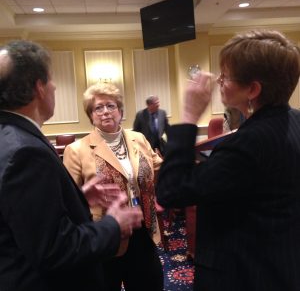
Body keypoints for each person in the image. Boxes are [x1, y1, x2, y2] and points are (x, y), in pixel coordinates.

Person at [156, 29, 300, 291]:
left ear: (252, 89)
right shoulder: (295, 120)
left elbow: (170, 192)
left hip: (246, 272)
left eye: (226, 76)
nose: (220, 81)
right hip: (283, 261)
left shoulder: (247, 143)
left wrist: (189, 116)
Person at [0, 40, 143, 291]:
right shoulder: (26, 152)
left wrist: (77, 198)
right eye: (51, 79)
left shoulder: (11, 136)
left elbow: (26, 212)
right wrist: (114, 223)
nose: (55, 86)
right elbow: (54, 249)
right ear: (40, 87)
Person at [63, 83, 164, 291]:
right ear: (91, 115)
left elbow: (157, 168)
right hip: (106, 237)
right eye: (98, 108)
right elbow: (70, 200)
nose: (105, 112)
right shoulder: (76, 150)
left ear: (120, 111)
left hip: (143, 229)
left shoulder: (139, 139)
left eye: (111, 106)